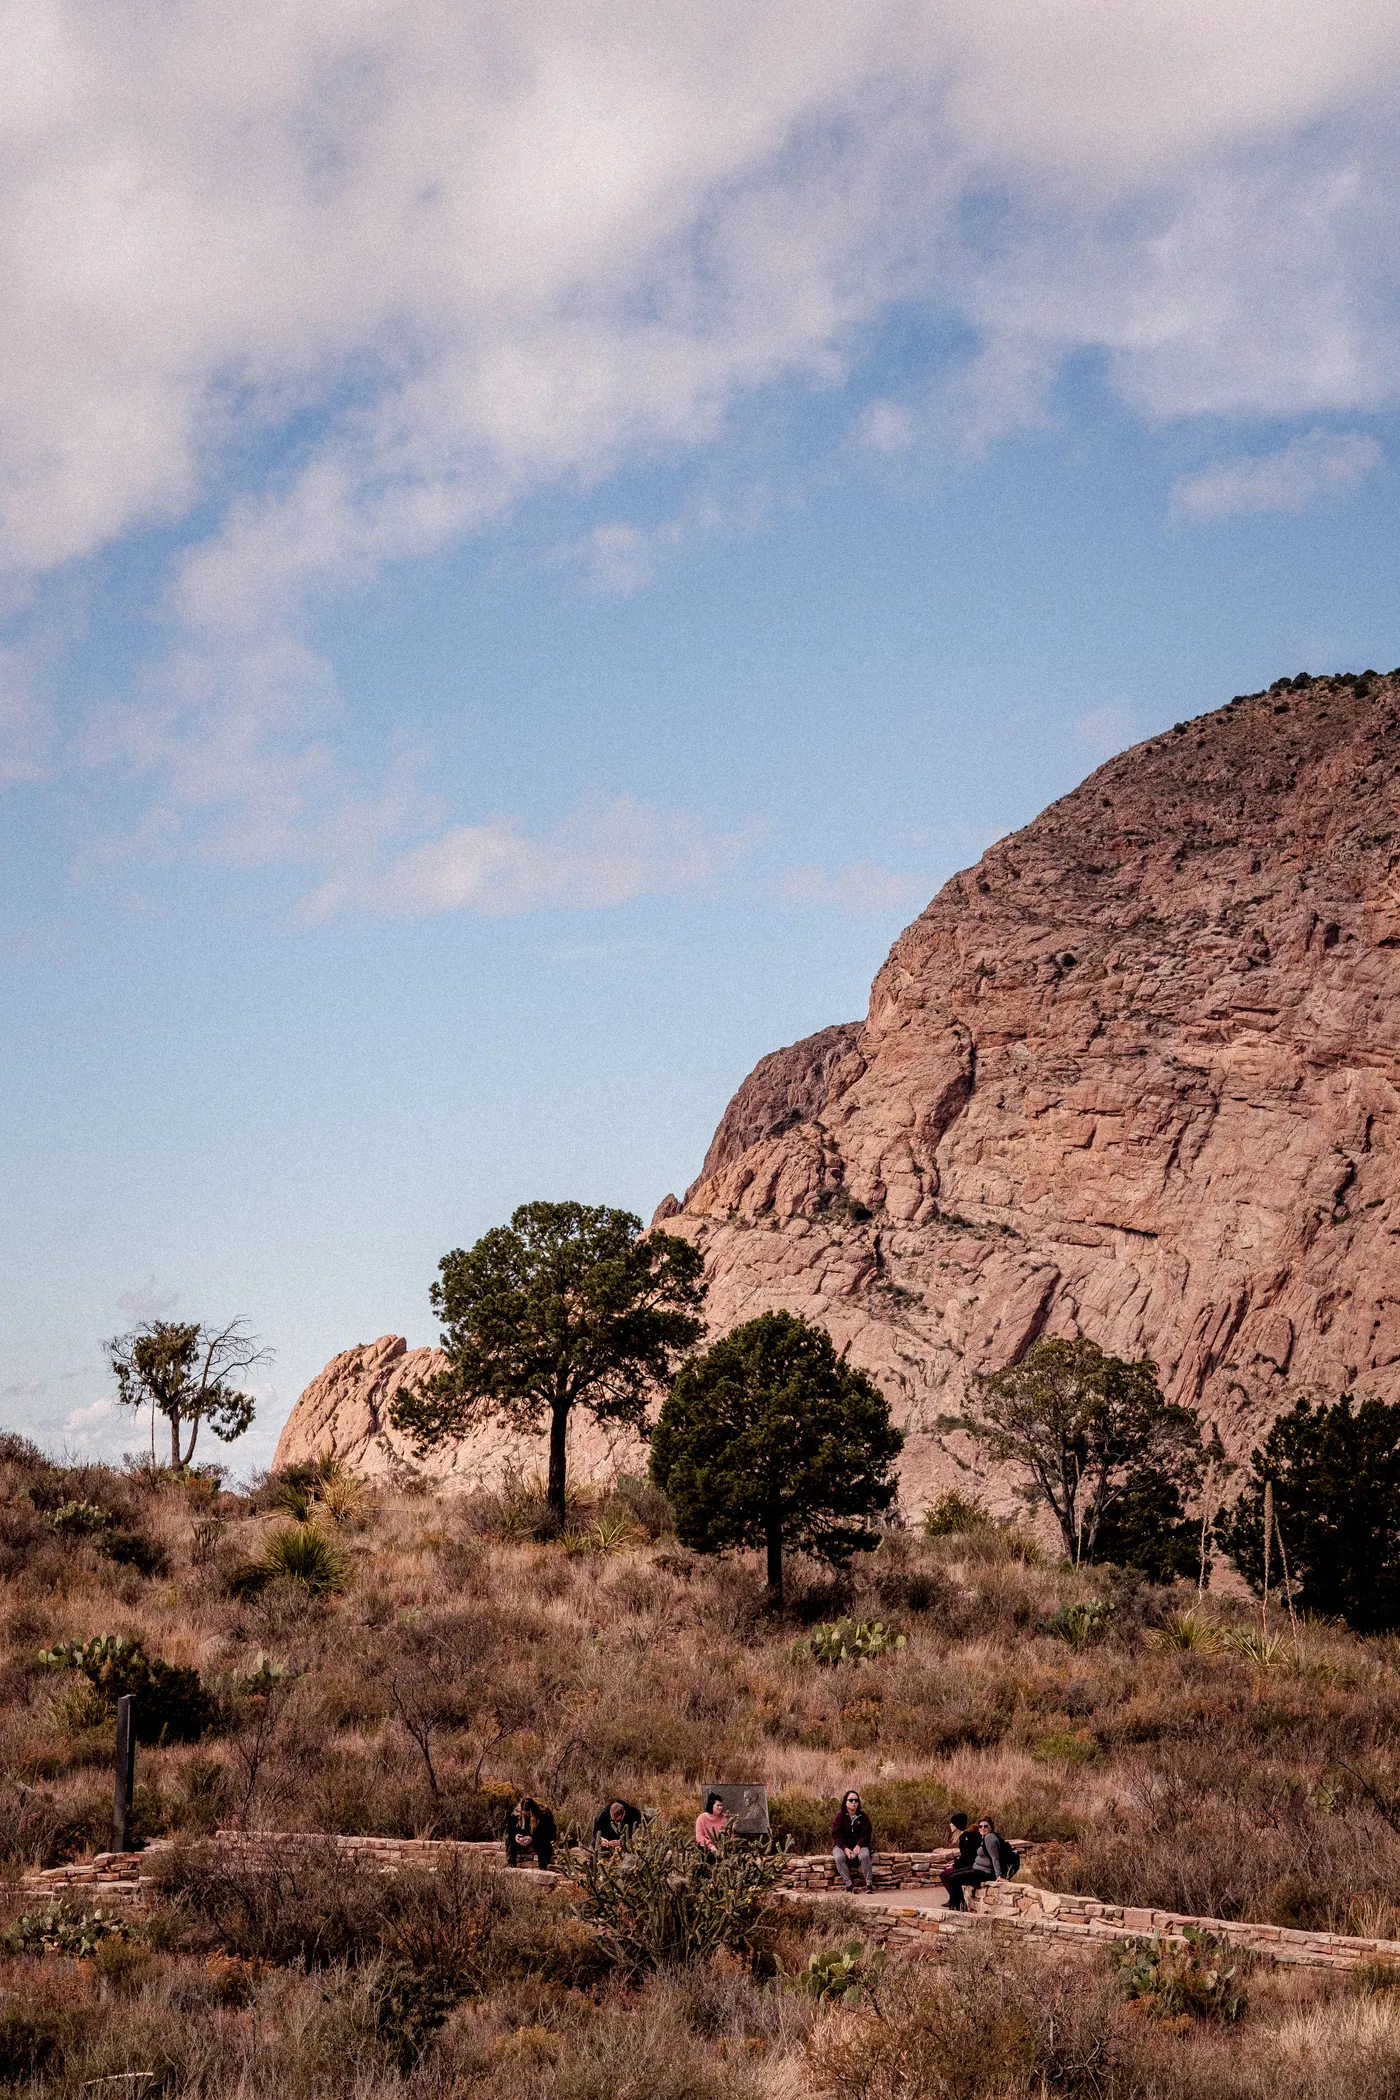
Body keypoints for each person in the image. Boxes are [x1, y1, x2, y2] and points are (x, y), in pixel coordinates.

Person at [940, 1813, 1010, 1911]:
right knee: (950, 1875)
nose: (983, 1828)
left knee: (953, 1878)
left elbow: (995, 1858)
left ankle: (959, 1907)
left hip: (984, 1872)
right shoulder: (983, 1837)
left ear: (991, 1827)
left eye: (986, 1826)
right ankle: (958, 1904)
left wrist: (999, 1876)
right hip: (977, 1868)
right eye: (980, 1826)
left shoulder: (989, 1838)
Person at [831, 1788, 874, 1891]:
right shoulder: (840, 1816)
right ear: (845, 1802)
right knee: (839, 1858)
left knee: (864, 1856)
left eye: (856, 1800)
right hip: (842, 1845)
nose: (854, 1802)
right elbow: (836, 1835)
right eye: (851, 1800)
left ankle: (869, 1884)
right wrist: (845, 1848)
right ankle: (849, 1884)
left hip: (860, 1845)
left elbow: (866, 1834)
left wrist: (859, 1845)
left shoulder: (863, 1817)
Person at [505, 1796, 556, 1870]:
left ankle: (543, 1867)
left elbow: (549, 1833)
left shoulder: (544, 1814)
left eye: (528, 1814)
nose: (527, 1815)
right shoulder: (516, 1813)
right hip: (524, 1839)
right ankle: (511, 1864)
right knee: (510, 1840)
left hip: (538, 1839)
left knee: (544, 1844)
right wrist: (515, 1836)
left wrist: (533, 1839)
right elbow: (510, 1829)